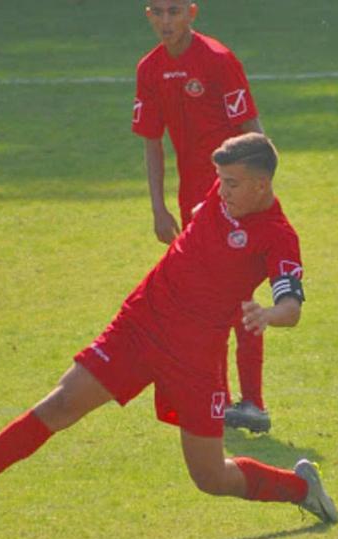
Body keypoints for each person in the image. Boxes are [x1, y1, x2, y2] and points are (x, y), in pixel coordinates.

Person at [0, 134, 338, 527]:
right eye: (220, 181)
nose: (221, 191)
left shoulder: (278, 236)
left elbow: (292, 306)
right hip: (140, 326)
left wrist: (268, 314)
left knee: (210, 477)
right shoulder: (225, 196)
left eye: (232, 183)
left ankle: (301, 487)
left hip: (195, 357)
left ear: (261, 187)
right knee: (62, 403)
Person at [133, 0, 270, 433]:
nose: (167, 21)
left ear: (192, 12)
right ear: (148, 15)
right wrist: (158, 207)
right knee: (203, 302)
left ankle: (253, 402)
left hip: (234, 198)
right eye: (158, 12)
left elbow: (252, 127)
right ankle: (220, 399)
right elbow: (152, 142)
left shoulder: (218, 60)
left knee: (240, 295)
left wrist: (258, 193)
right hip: (193, 205)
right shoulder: (149, 70)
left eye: (175, 11)